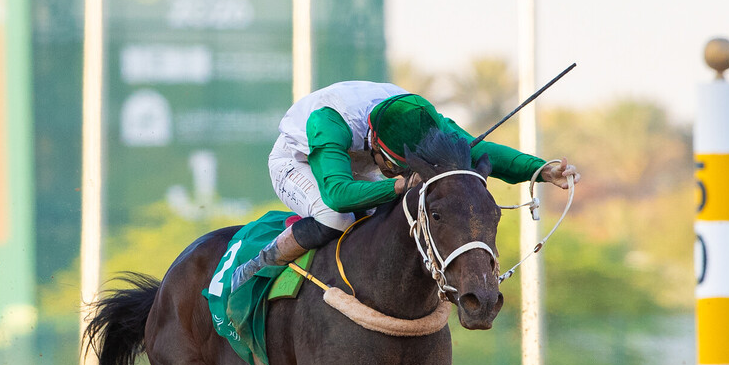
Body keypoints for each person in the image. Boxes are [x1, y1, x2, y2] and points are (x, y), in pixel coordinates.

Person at [231, 81, 580, 289]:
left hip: (363, 154)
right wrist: (397, 186)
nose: (395, 172)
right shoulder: (329, 123)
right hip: (301, 160)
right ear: (377, 144)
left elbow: (478, 149)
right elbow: (338, 194)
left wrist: (540, 170)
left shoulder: (422, 120)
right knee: (338, 218)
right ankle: (260, 265)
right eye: (395, 165)